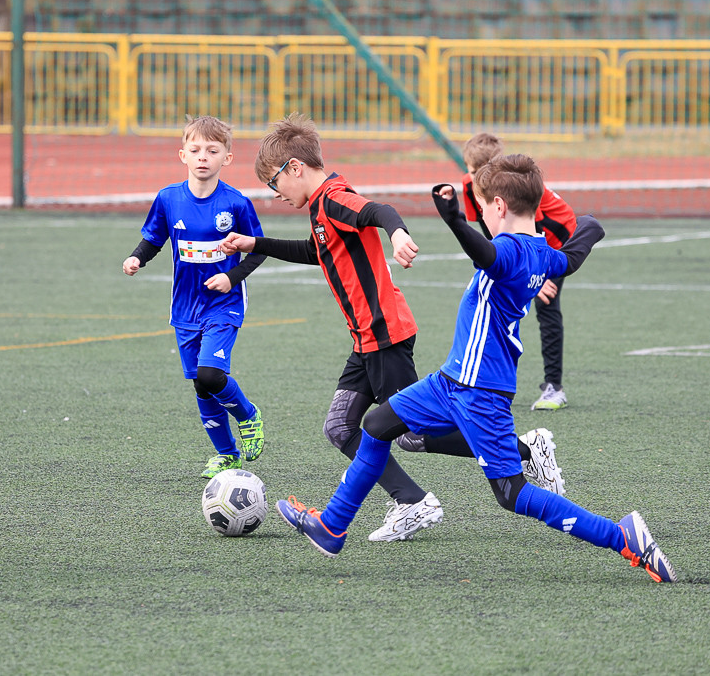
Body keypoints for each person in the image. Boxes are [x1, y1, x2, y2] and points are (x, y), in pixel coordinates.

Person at [275, 154, 677, 583]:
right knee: (376, 426)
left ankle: (622, 537)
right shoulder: (543, 253)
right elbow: (572, 258)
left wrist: (453, 221)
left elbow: (485, 253)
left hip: (480, 390)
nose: (480, 214)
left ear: (499, 206)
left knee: (512, 494)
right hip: (451, 381)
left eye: (482, 206)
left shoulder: (509, 251)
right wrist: (590, 228)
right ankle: (333, 526)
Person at [221, 113, 563, 544]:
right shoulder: (321, 208)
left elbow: (379, 211)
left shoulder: (335, 199)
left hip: (386, 333)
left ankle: (522, 452)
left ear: (295, 168)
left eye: (274, 182)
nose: (275, 193)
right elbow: (316, 250)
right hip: (366, 338)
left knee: (412, 436)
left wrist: (397, 234)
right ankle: (411, 498)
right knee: (340, 427)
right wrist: (257, 244)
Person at [122, 115, 266, 479]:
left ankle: (248, 415)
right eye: (196, 149)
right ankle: (227, 454)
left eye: (212, 151)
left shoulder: (236, 203)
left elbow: (258, 249)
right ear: (182, 154)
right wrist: (137, 257)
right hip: (185, 307)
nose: (203, 157)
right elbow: (154, 238)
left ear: (226, 158)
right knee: (201, 384)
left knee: (211, 374)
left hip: (224, 305)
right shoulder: (168, 198)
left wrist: (231, 278)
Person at [462, 133, 576, 411]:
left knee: (546, 305)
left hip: (555, 238)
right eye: (473, 172)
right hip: (521, 246)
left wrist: (540, 276)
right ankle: (488, 382)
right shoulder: (469, 186)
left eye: (483, 171)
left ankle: (554, 387)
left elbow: (533, 234)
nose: (477, 178)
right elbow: (488, 229)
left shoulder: (516, 190)